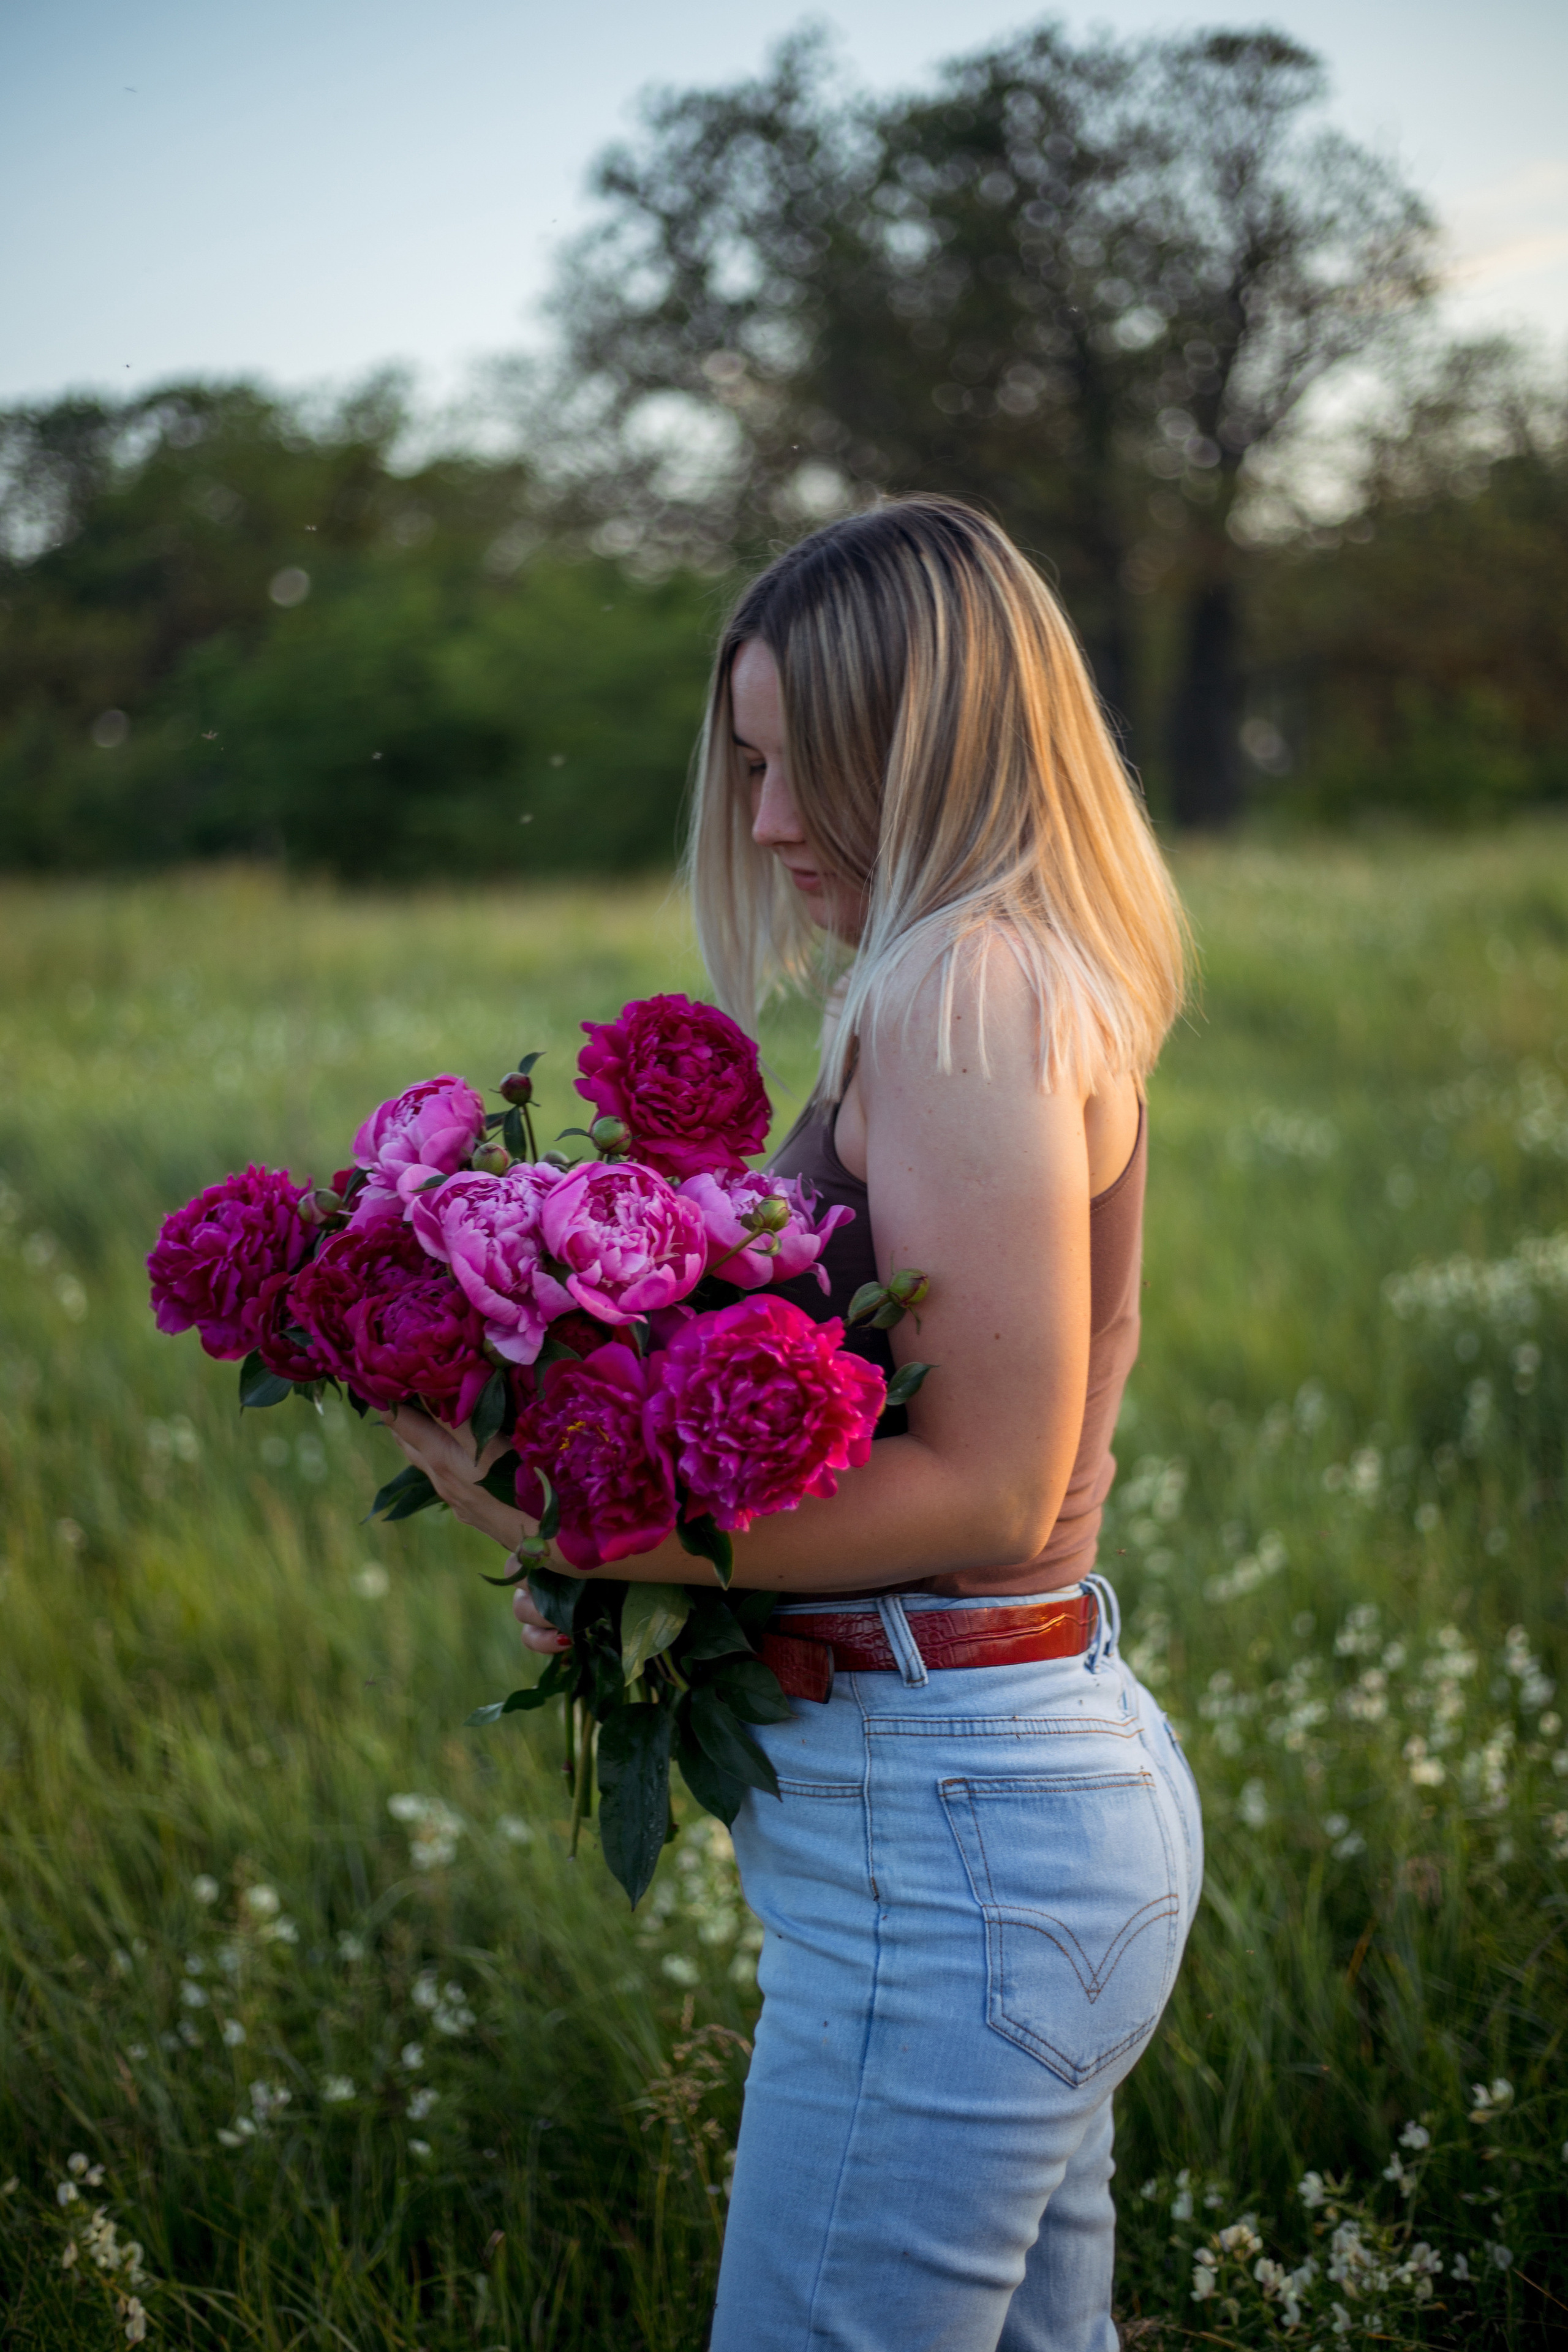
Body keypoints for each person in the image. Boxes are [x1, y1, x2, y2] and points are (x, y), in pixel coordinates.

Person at [388, 496, 1202, 2352]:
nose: (761, 822)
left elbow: (993, 1487)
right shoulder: (992, 973)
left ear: (927, 746)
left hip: (962, 1831)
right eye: (748, 767)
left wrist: (571, 1528)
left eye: (798, 767)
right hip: (991, 1793)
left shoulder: (962, 992)